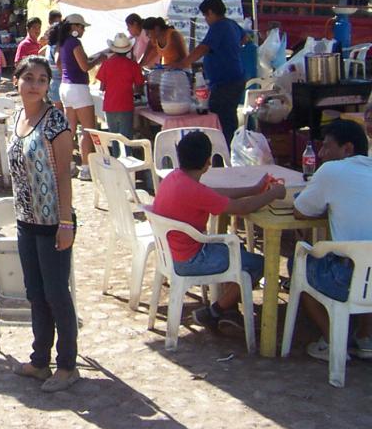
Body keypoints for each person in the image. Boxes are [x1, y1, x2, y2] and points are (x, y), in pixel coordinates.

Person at [152, 131, 284, 335]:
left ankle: (228, 311)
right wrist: (273, 194)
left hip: (172, 254)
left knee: (236, 249)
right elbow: (242, 208)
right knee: (259, 264)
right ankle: (215, 311)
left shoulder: (175, 178)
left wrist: (254, 189)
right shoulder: (193, 189)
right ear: (208, 162)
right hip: (190, 259)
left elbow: (214, 194)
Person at [7, 56, 79, 392]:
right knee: (35, 293)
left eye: (41, 79)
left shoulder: (56, 123)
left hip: (53, 221)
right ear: (17, 80)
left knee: (56, 294)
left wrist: (66, 223)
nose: (35, 84)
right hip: (26, 219)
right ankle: (40, 360)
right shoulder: (17, 116)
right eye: (29, 78)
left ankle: (67, 365)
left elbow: (64, 173)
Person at [292, 119, 372, 361]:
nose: (322, 154)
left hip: (349, 277)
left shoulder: (332, 171)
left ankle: (332, 341)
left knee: (299, 266)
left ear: (347, 149)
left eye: (327, 147)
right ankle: (365, 338)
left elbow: (300, 210)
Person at [173, 0, 246, 149]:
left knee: (221, 122)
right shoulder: (232, 24)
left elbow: (203, 48)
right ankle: (228, 153)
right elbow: (245, 38)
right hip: (234, 78)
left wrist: (183, 63)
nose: (206, 20)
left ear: (211, 12)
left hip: (225, 83)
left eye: (206, 16)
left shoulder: (219, 26)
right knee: (228, 120)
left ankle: (224, 156)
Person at [55, 14, 98, 181]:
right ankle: (86, 168)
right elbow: (85, 66)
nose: (83, 30)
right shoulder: (75, 43)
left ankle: (69, 164)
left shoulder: (62, 43)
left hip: (65, 87)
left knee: (70, 130)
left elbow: (59, 63)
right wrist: (99, 58)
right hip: (78, 88)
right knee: (88, 130)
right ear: (74, 26)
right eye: (82, 27)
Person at [95, 33, 144, 139]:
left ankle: (116, 155)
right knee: (126, 138)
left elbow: (102, 87)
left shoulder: (106, 64)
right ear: (128, 50)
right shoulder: (133, 65)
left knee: (114, 137)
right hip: (126, 104)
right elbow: (139, 86)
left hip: (110, 105)